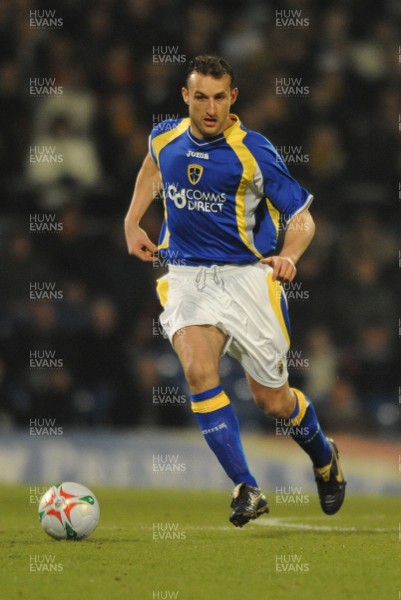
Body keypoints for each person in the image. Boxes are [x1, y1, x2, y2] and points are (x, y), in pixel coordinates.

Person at [124, 55, 346, 527]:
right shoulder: (165, 135)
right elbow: (152, 166)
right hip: (186, 275)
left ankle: (325, 458)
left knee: (274, 402)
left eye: (219, 97)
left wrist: (290, 255)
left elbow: (302, 217)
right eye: (200, 97)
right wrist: (131, 220)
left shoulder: (255, 151)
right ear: (186, 97)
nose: (210, 108)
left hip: (247, 278)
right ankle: (246, 486)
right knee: (199, 371)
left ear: (233, 98)